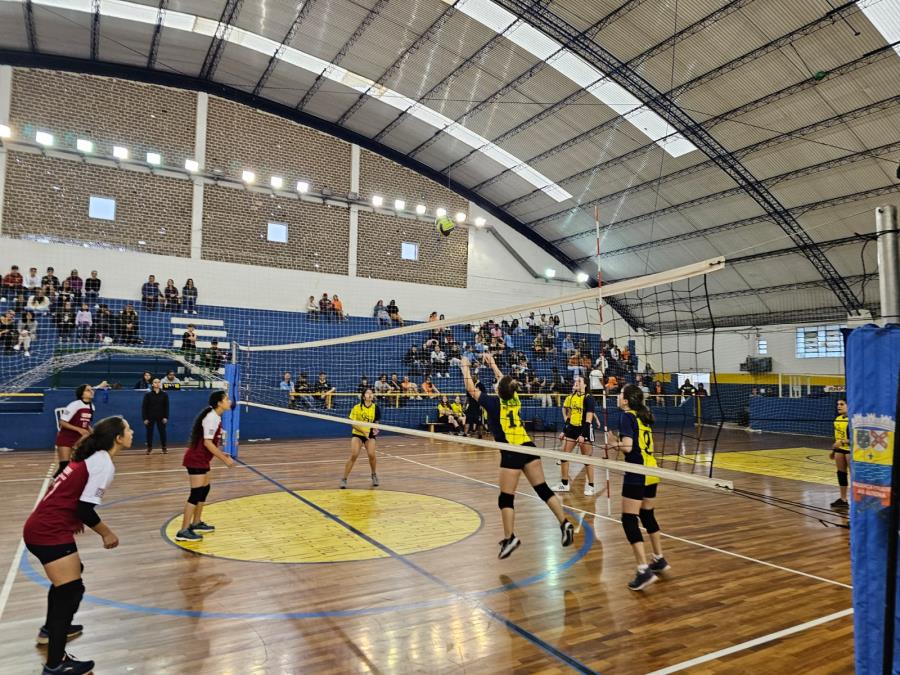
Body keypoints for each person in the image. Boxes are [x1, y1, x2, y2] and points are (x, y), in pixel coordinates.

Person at [23, 415, 132, 675]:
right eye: (128, 429)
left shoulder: (92, 458)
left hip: (42, 527)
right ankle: (55, 665)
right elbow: (85, 509)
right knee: (71, 591)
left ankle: (51, 631)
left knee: (70, 581)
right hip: (48, 531)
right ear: (117, 438)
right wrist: (107, 534)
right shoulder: (103, 463)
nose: (132, 432)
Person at [460, 354, 575, 559]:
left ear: (498, 390)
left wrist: (464, 367)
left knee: (506, 498)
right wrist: (493, 364)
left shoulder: (493, 403)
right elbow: (505, 382)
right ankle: (564, 523)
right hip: (528, 447)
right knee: (543, 489)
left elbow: (471, 390)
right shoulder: (514, 399)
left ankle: (510, 537)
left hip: (512, 452)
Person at [609, 384, 670, 591]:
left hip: (637, 472)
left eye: (620, 394)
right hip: (653, 471)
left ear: (626, 400)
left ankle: (643, 569)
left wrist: (613, 443)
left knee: (628, 518)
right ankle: (659, 559)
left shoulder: (627, 416)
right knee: (647, 515)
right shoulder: (643, 416)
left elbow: (628, 447)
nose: (618, 397)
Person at [175, 391, 235, 541]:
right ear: (219, 403)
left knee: (205, 488)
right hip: (196, 459)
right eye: (226, 399)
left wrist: (222, 454)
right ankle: (183, 531)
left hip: (202, 460)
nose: (229, 401)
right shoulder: (212, 418)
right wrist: (224, 459)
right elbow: (207, 443)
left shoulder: (215, 417)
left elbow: (210, 442)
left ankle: (196, 522)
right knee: (195, 494)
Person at [554, 376, 597, 496]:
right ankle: (564, 483)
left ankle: (591, 485)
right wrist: (564, 430)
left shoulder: (589, 399)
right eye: (575, 381)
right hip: (572, 429)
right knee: (563, 454)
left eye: (579, 381)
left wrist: (583, 434)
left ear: (585, 385)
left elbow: (588, 420)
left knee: (587, 459)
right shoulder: (572, 397)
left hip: (584, 429)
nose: (576, 383)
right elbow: (569, 416)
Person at [54, 383, 107, 478]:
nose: (91, 391)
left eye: (91, 390)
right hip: (66, 438)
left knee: (79, 466)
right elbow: (62, 422)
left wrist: (93, 432)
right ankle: (54, 485)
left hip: (80, 438)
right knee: (64, 467)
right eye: (88, 390)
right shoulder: (75, 405)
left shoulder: (92, 407)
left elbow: (86, 424)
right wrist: (79, 429)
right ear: (81, 394)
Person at [341, 388, 380, 488]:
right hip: (358, 433)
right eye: (367, 393)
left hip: (369, 434)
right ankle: (344, 479)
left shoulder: (376, 408)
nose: (370, 395)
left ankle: (374, 475)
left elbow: (376, 423)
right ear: (363, 396)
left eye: (371, 393)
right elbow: (352, 423)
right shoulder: (357, 407)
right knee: (354, 455)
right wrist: (363, 431)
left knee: (371, 454)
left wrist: (376, 429)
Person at [830, 399, 850, 509]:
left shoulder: (852, 420)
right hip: (839, 450)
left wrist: (843, 442)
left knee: (854, 476)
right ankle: (843, 499)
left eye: (842, 404)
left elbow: (858, 438)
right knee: (841, 474)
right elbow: (837, 437)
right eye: (837, 404)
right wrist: (834, 451)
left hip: (850, 450)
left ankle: (857, 501)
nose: (839, 406)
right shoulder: (837, 419)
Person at [142, 378, 169, 454]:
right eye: (155, 382)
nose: (157, 383)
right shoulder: (148, 395)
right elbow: (144, 407)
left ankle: (164, 447)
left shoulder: (164, 394)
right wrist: (145, 418)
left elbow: (166, 407)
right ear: (152, 384)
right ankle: (149, 448)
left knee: (162, 432)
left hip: (161, 417)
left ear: (160, 383)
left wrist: (166, 417)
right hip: (150, 417)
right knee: (149, 433)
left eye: (158, 382)